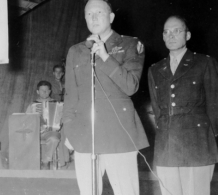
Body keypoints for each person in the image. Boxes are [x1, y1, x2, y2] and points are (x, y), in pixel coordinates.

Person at [62, 0, 149, 194]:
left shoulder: (130, 44)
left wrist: (106, 57)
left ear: (111, 17)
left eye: (99, 13)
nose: (94, 17)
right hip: (84, 133)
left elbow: (131, 86)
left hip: (119, 134)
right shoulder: (76, 51)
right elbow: (70, 95)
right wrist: (69, 128)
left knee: (126, 191)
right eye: (89, 14)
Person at [148, 15, 218, 195]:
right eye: (166, 32)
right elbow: (158, 109)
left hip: (198, 142)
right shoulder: (155, 69)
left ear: (188, 35)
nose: (171, 36)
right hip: (167, 144)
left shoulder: (204, 63)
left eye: (177, 31)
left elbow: (216, 106)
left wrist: (207, 136)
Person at [26, 80, 61, 170]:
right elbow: (26, 120)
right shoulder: (32, 105)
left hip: (51, 132)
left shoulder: (58, 104)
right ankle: (31, 164)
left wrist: (58, 123)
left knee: (54, 139)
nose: (45, 92)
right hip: (35, 132)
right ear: (37, 91)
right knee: (25, 139)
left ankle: (45, 161)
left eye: (47, 90)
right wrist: (36, 126)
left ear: (50, 91)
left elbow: (62, 119)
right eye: (42, 90)